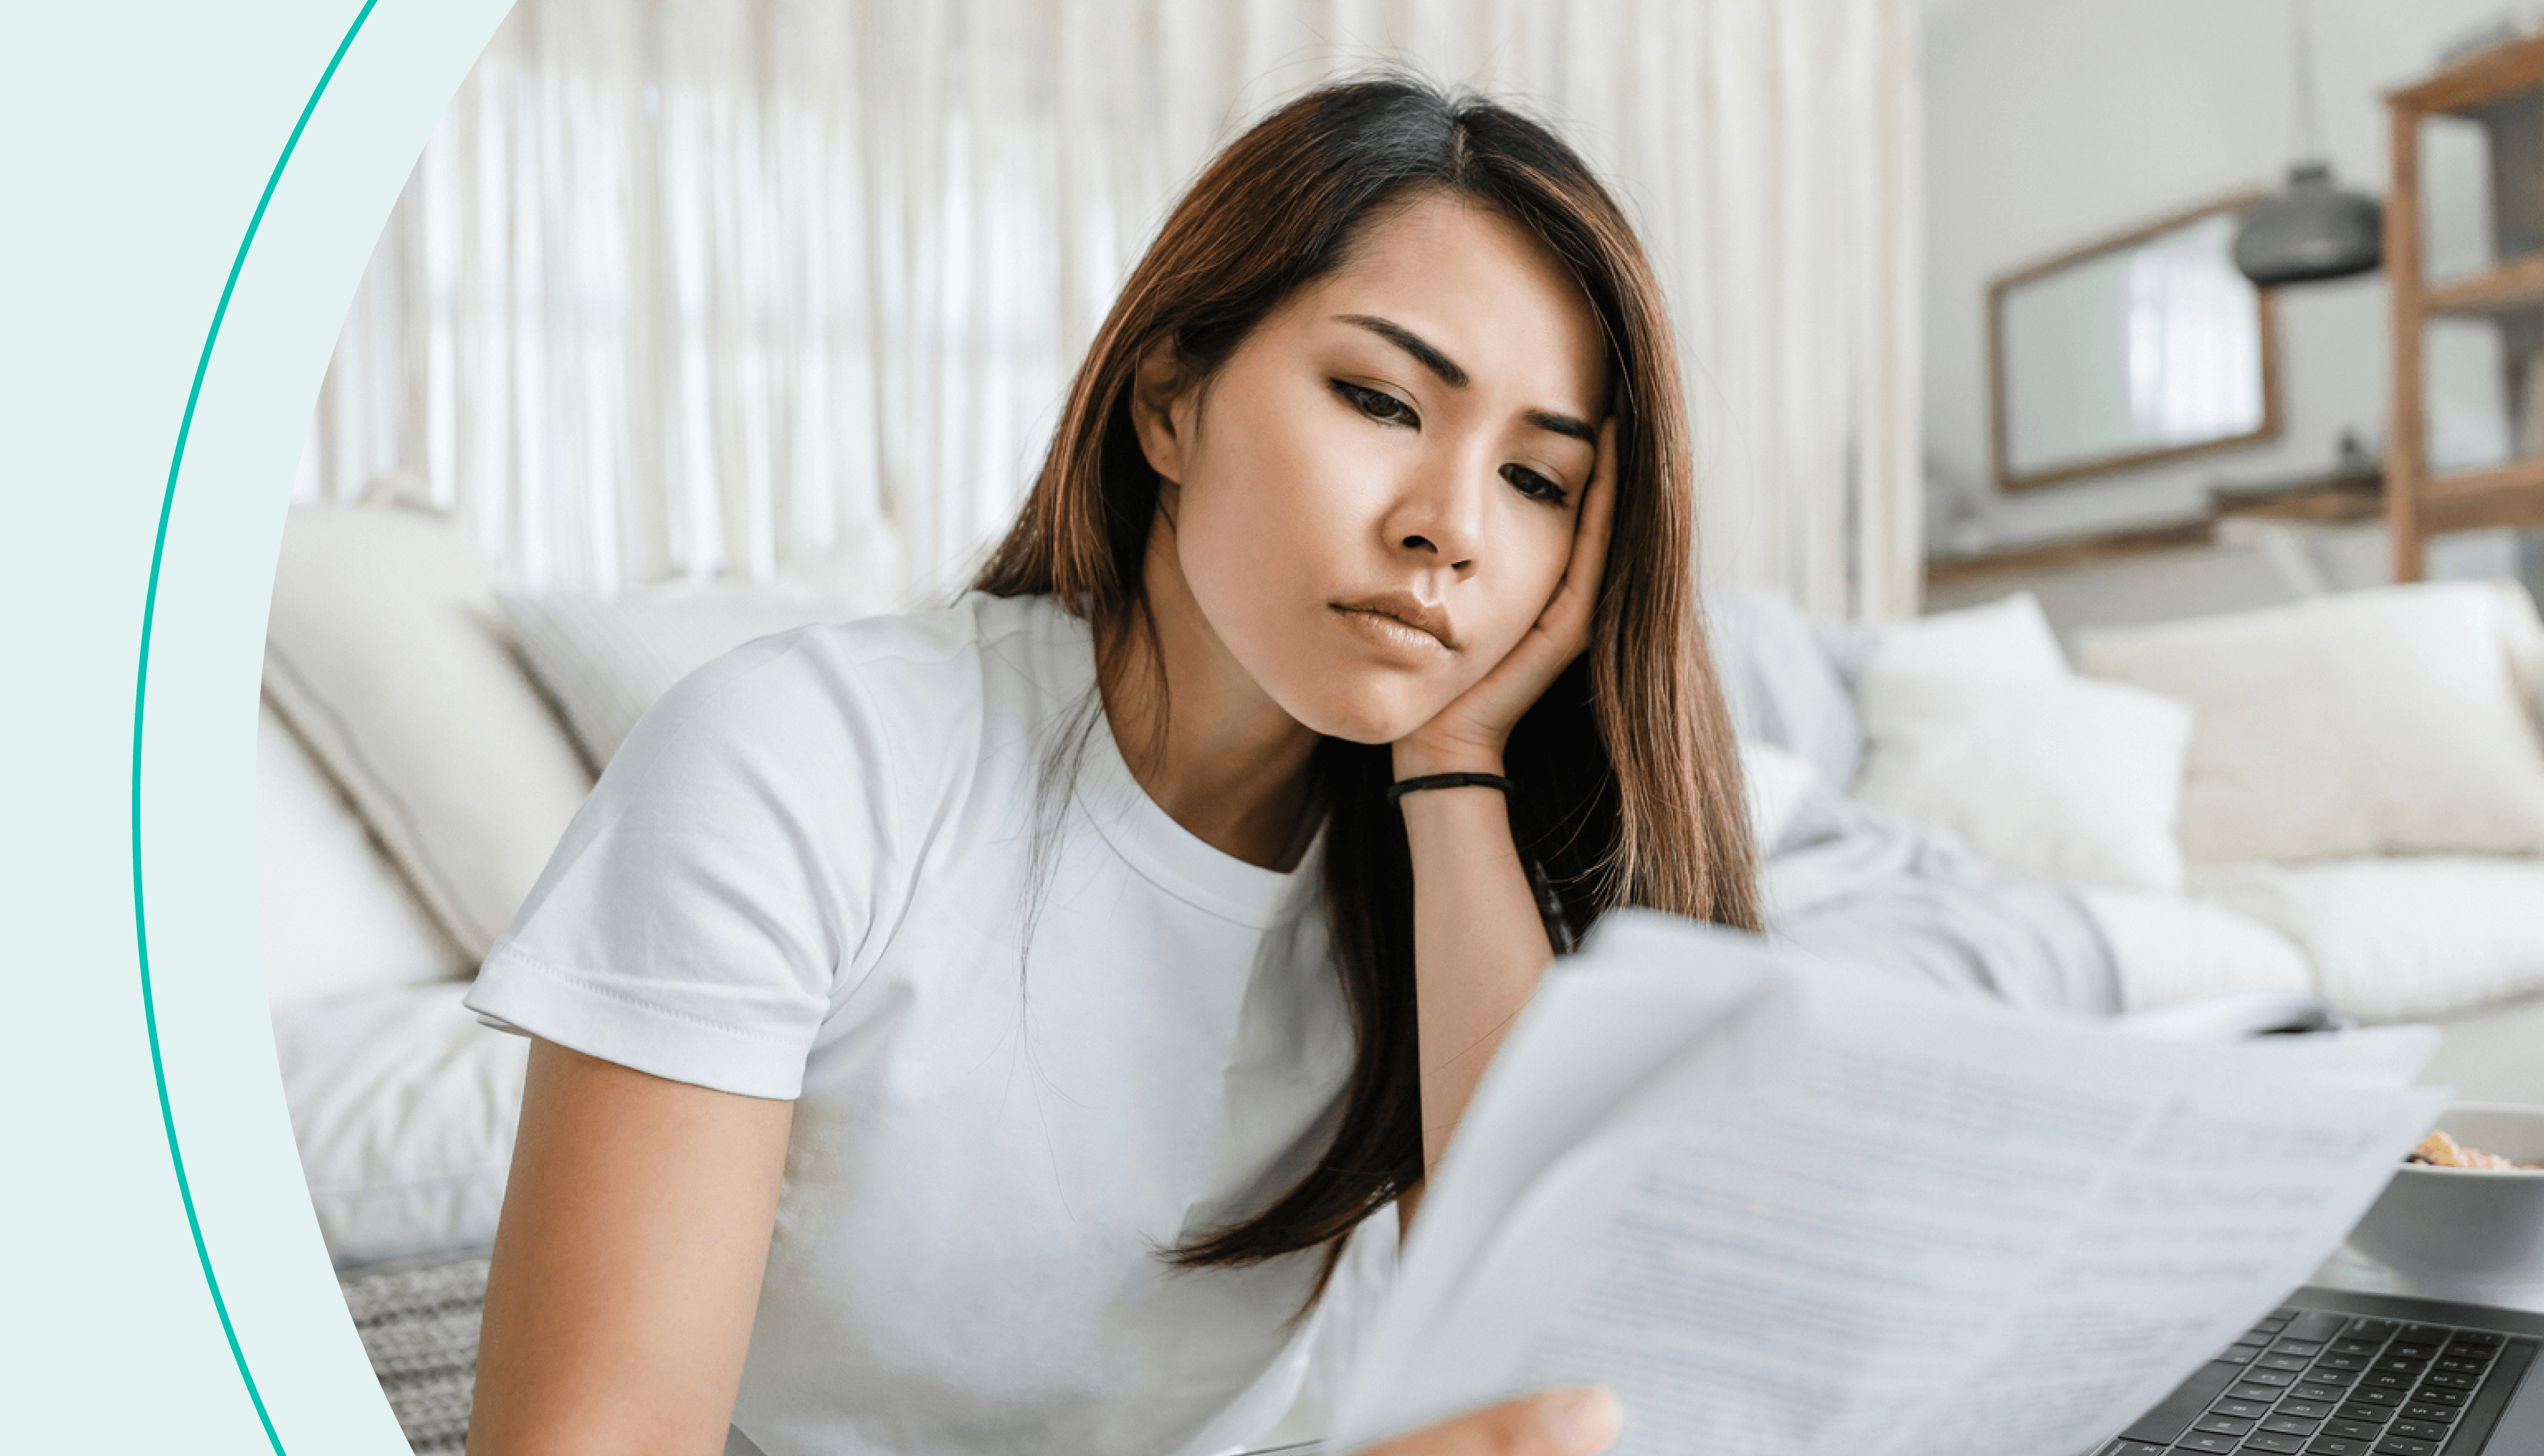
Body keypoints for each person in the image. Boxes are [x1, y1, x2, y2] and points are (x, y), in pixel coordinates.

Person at [461, 76, 1757, 1456]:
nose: (1452, 530)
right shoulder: (801, 757)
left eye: (1540, 481)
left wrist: (1451, 763)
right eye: (1382, 400)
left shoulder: (1467, 878)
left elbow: (1558, 1367)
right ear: (1167, 404)